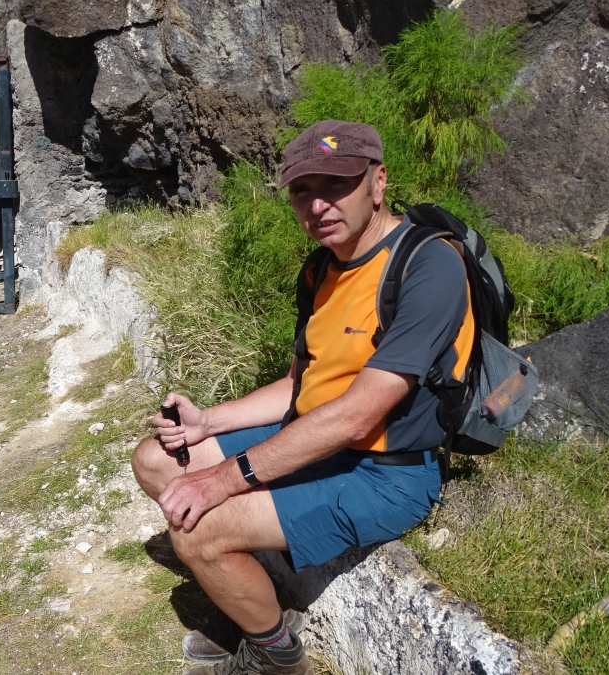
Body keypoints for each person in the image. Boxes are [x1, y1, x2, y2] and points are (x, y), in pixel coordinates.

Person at [130, 120, 475, 675]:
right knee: (154, 458)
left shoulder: (428, 266)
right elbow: (300, 385)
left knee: (198, 527)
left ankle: (276, 655)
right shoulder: (321, 268)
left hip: (387, 472)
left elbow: (360, 412)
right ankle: (246, 598)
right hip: (318, 438)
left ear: (377, 182)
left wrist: (224, 478)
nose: (317, 205)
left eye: (335, 185)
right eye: (302, 190)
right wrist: (206, 424)